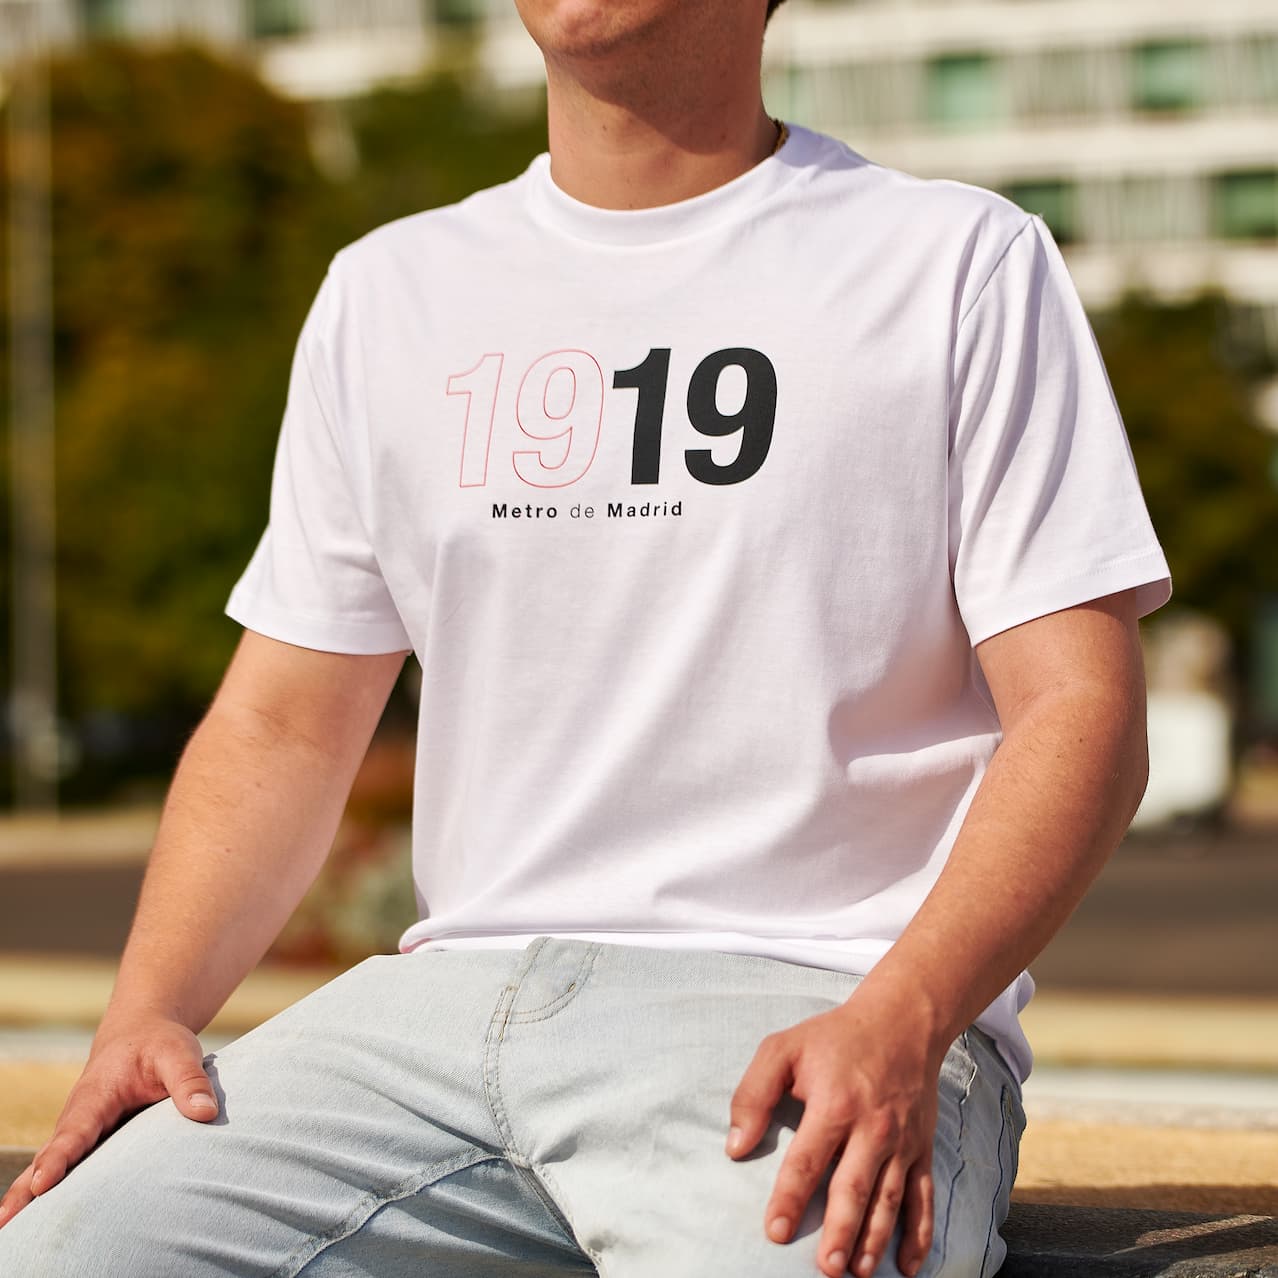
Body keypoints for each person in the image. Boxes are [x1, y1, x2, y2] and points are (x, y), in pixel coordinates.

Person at [0, 0, 1171, 1274]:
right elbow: (281, 723)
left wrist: (910, 1013)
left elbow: (1080, 712)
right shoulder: (389, 292)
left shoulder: (955, 262)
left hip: (810, 1004)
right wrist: (147, 1011)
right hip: (429, 1021)